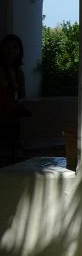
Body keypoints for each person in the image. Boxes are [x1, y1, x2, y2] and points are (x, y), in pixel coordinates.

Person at [0, 34, 30, 165]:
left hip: (12, 119)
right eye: (7, 47)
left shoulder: (19, 72)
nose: (11, 50)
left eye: (15, 47)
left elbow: (22, 96)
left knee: (11, 158)